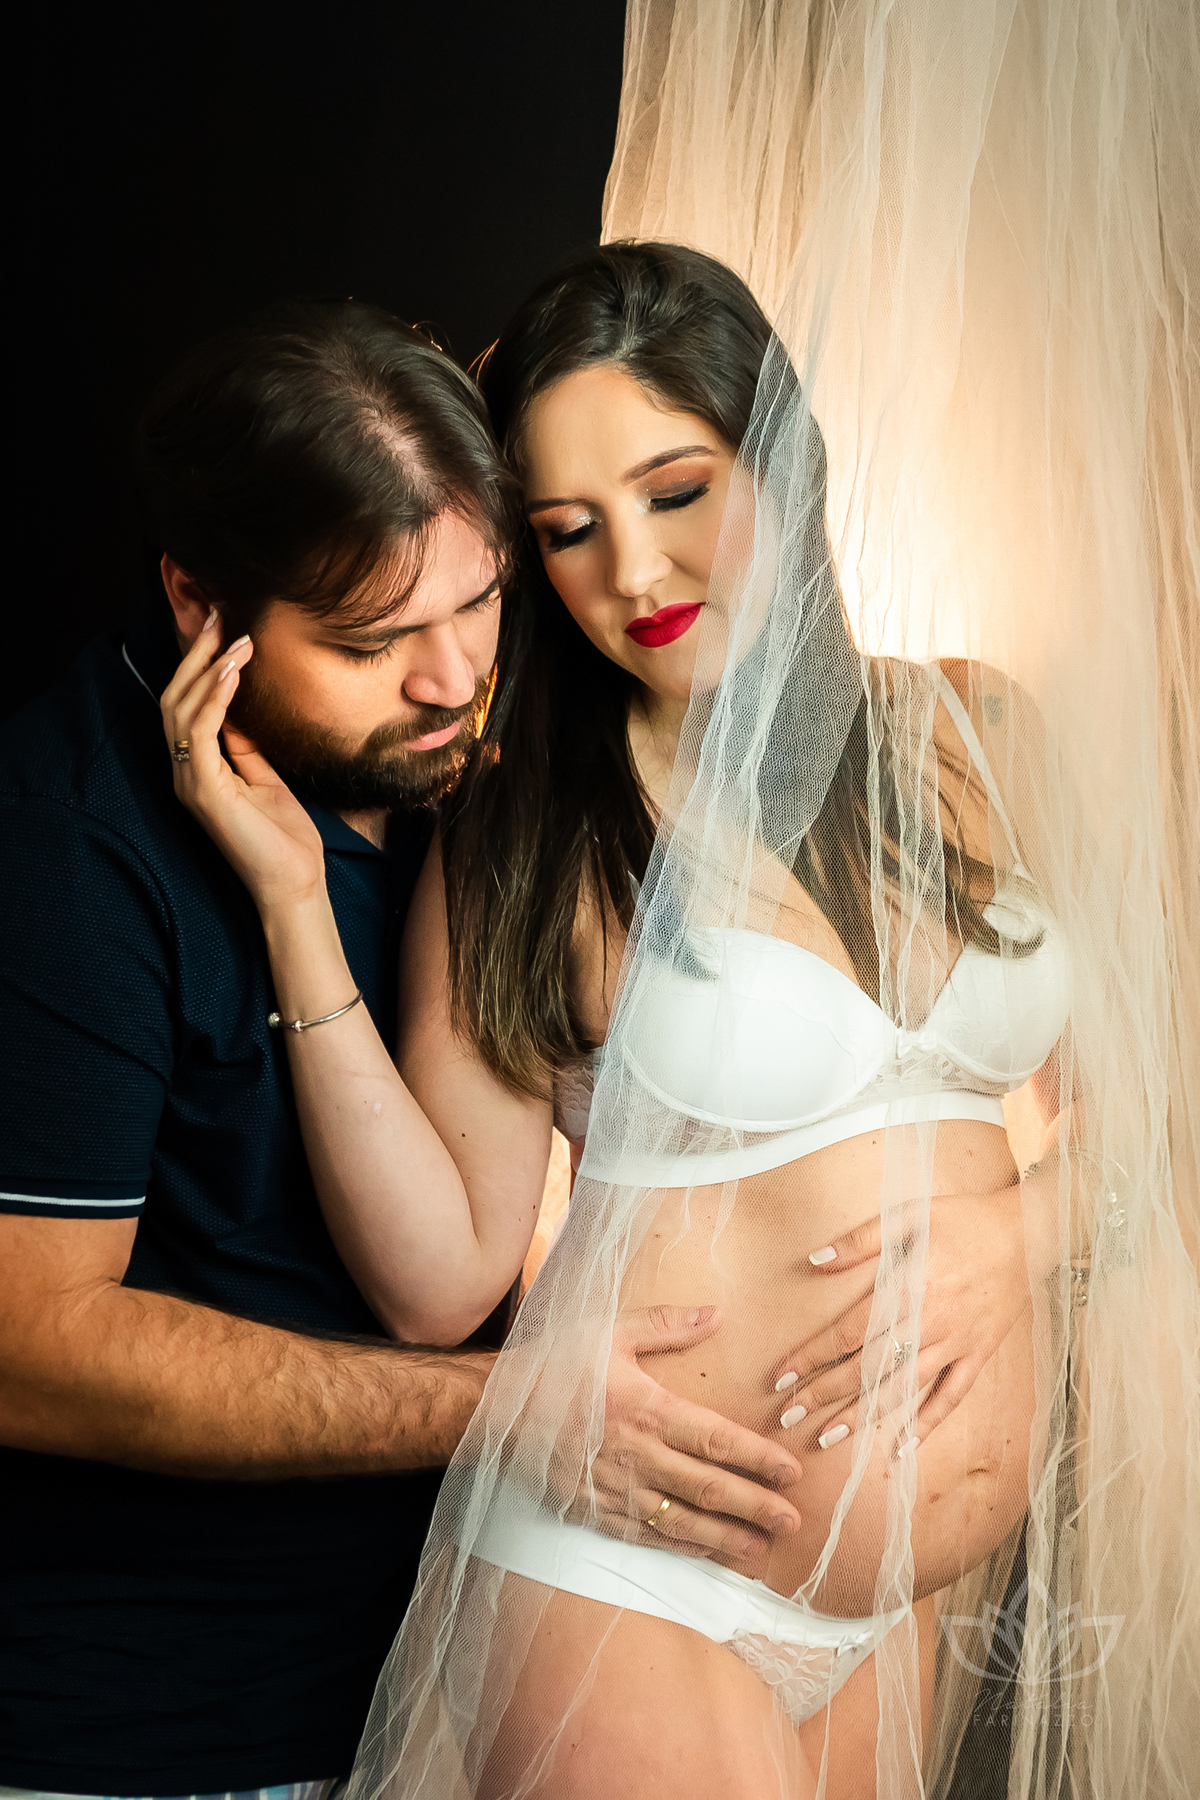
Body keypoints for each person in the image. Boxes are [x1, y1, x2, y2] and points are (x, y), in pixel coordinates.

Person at [171, 242, 1088, 1800]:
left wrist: (1021, 1231)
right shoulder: (527, 826)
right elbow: (438, 1274)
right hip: (635, 1570)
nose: (636, 578)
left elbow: (1161, 1107)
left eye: (679, 492)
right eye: (567, 533)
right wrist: (291, 906)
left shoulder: (974, 732)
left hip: (905, 1612)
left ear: (780, 457)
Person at [0, 297, 805, 1800]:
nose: (449, 678)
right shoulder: (67, 855)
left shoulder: (476, 777)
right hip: (136, 1734)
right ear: (198, 604)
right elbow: (27, 1350)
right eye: (374, 640)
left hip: (405, 1679)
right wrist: (512, 1414)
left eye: (479, 599)